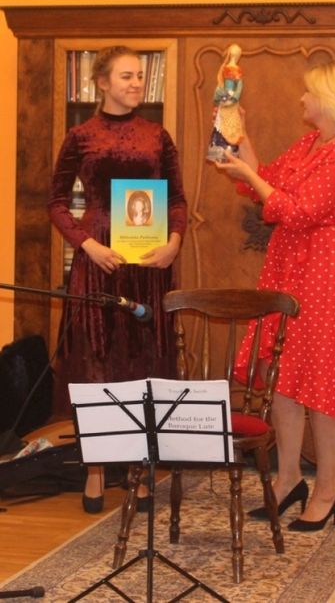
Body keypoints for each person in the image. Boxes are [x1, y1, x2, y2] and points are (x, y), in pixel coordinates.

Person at [215, 59, 335, 532]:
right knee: (283, 374)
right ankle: (288, 480)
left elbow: (298, 210)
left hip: (329, 267)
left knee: (324, 381)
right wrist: (238, 132)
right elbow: (264, 179)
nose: (302, 99)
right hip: (292, 264)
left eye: (309, 93)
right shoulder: (310, 144)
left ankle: (327, 490)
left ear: (330, 100)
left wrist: (253, 177)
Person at [48, 45, 187, 513]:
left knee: (143, 361)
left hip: (148, 264)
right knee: (97, 362)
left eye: (140, 76)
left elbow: (178, 201)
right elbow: (55, 202)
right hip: (99, 260)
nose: (136, 83)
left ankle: (140, 470)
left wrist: (174, 243)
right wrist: (85, 244)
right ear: (102, 82)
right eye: (126, 76)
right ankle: (95, 469)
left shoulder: (158, 135)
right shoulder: (80, 135)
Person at [206, 43, 244, 162]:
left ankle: (229, 150)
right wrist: (224, 96)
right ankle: (220, 150)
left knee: (229, 124)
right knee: (221, 122)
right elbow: (235, 86)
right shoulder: (227, 68)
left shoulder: (233, 69)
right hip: (226, 99)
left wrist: (233, 98)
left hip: (229, 100)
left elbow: (238, 87)